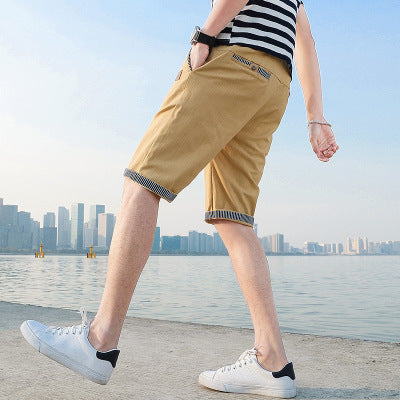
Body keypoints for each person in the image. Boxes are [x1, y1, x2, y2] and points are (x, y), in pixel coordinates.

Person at [20, 0, 338, 398]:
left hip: (234, 61)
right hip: (274, 84)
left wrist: (204, 36)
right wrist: (315, 116)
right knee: (233, 218)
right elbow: (305, 40)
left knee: (142, 180)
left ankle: (99, 341)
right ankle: (273, 362)